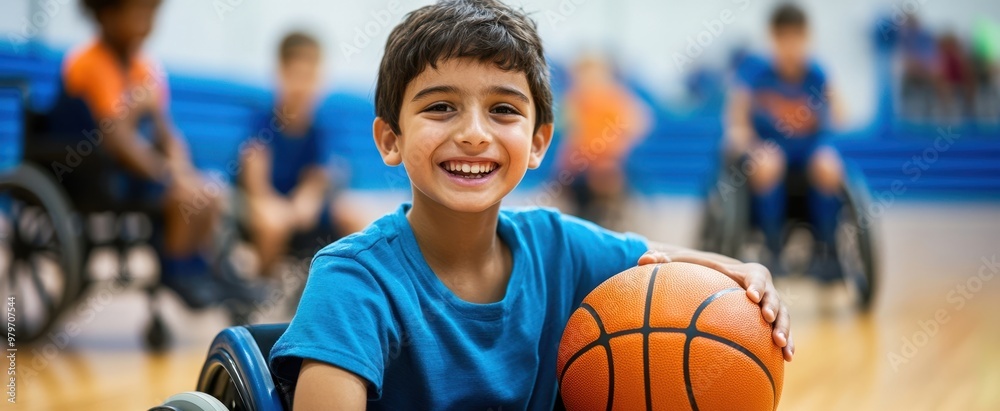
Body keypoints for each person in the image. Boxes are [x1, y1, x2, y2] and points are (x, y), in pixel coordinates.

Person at [270, 1, 794, 409]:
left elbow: (683, 265)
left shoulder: (558, 246)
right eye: (441, 106)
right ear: (390, 140)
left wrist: (747, 277)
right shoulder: (352, 282)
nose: (474, 133)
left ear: (539, 142)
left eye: (502, 109)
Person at [58, 0, 224, 304]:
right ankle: (177, 271)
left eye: (151, 14)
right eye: (138, 14)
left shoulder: (144, 67)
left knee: (208, 193)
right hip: (98, 174)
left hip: (138, 170)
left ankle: (203, 271)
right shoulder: (88, 63)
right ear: (107, 15)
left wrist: (182, 170)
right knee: (183, 197)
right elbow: (115, 137)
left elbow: (166, 132)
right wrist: (165, 174)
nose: (146, 23)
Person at [724, 3, 847, 280]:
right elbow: (737, 122)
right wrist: (745, 140)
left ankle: (828, 252)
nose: (791, 46)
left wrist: (831, 104)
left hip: (807, 151)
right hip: (769, 148)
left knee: (828, 166)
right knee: (769, 161)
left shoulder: (817, 74)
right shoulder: (755, 73)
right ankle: (773, 250)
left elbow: (841, 117)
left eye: (797, 37)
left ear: (806, 38)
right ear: (773, 38)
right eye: (784, 38)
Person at [239, 32, 360, 276]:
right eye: (298, 76)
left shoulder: (318, 127)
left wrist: (308, 198)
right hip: (264, 201)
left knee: (354, 216)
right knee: (274, 222)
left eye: (311, 77)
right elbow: (255, 177)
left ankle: (348, 286)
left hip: (299, 210)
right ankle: (263, 288)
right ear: (281, 73)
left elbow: (319, 176)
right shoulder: (264, 121)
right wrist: (271, 203)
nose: (304, 87)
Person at [557, 54, 651, 229]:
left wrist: (613, 152)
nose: (587, 80)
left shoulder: (615, 98)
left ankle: (609, 221)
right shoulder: (575, 98)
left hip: (608, 162)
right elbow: (569, 129)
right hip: (578, 165)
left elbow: (638, 123)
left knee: (607, 187)